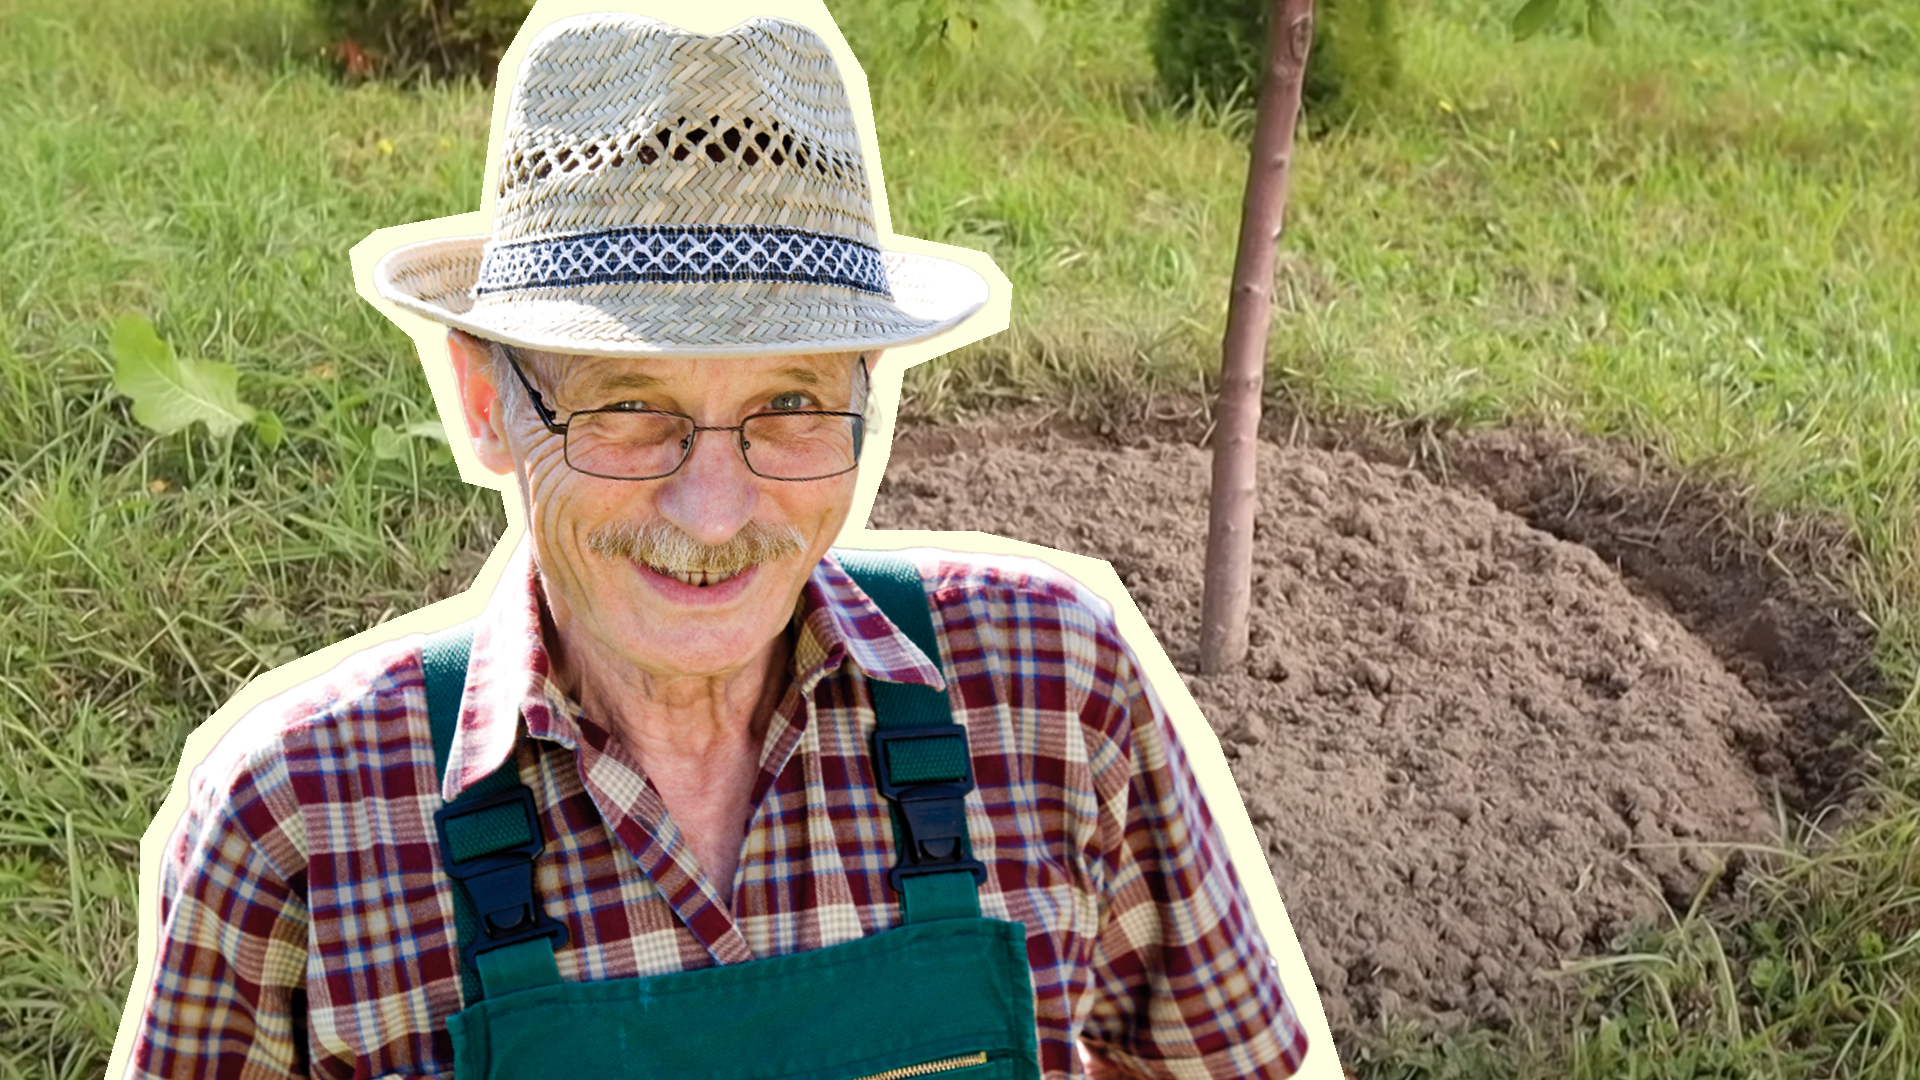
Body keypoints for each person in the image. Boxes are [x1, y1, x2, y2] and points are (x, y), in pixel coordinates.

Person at [120, 6, 1311, 1079]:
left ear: (867, 398)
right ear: (487, 404)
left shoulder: (1050, 695)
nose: (715, 510)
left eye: (790, 408)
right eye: (627, 409)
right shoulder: (301, 822)